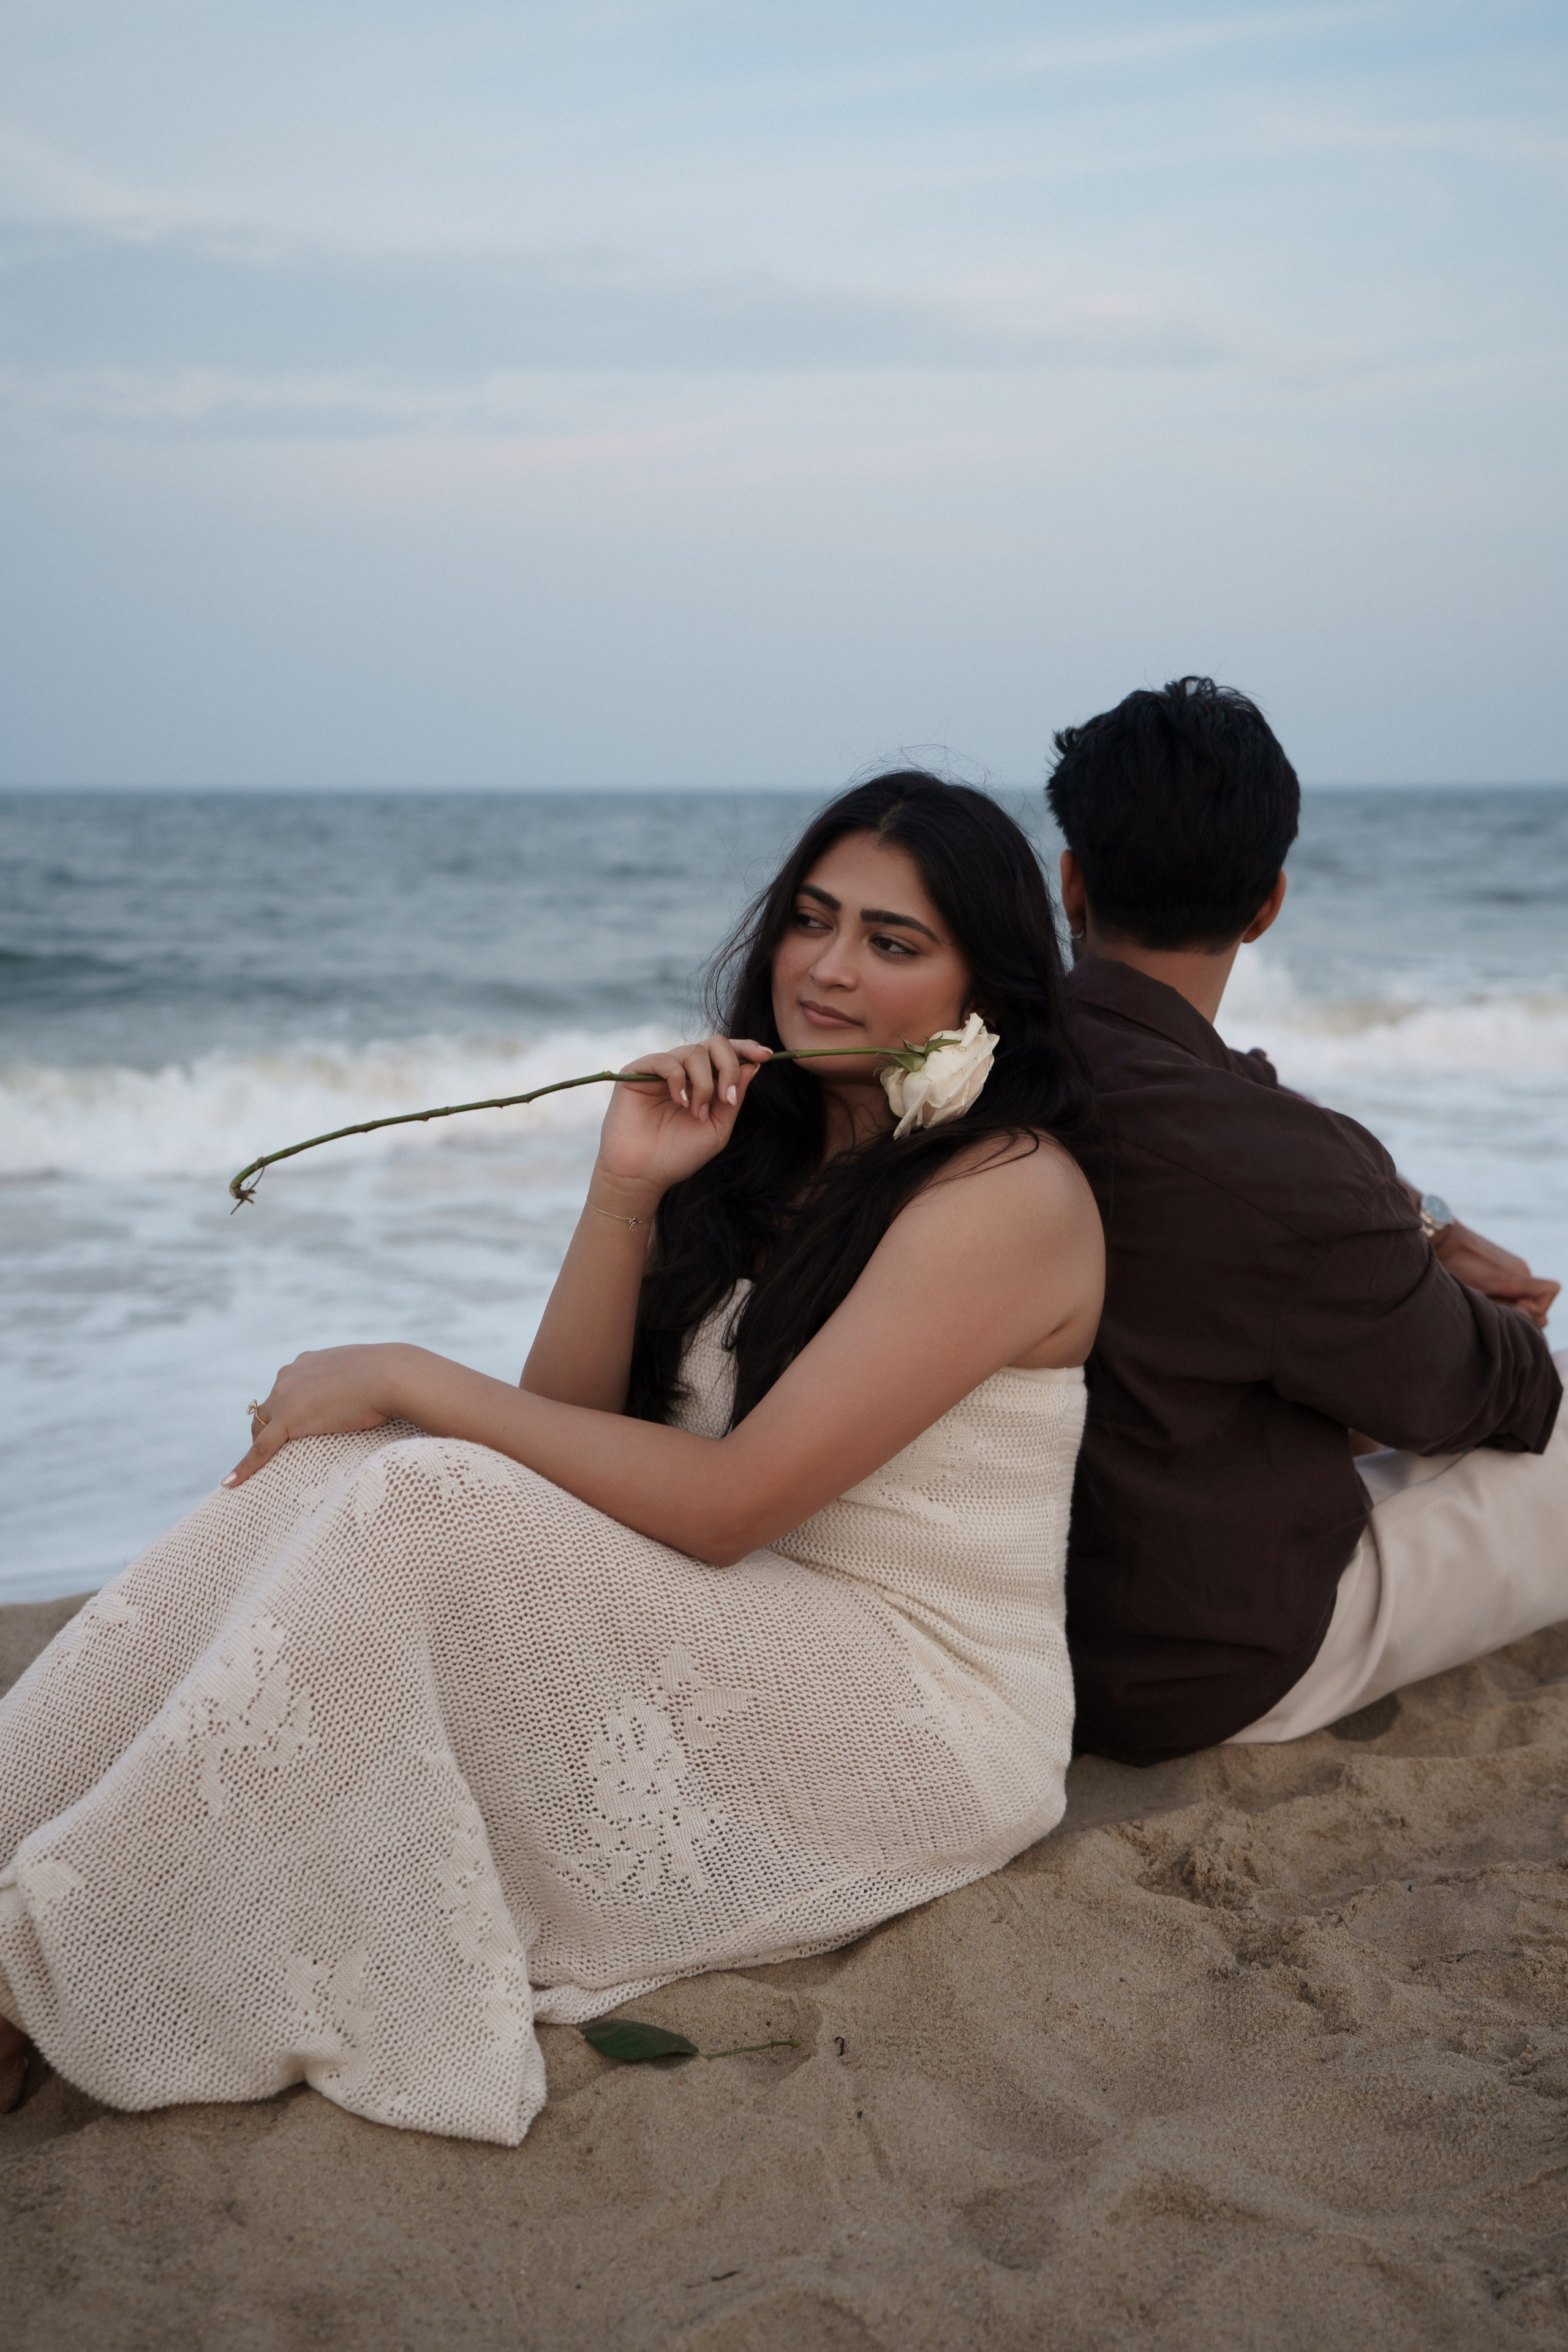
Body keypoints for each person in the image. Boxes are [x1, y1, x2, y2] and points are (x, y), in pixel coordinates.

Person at [0, 774, 1103, 2143]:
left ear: (978, 988)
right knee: (331, 1472)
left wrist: (410, 1372)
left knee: (415, 1475)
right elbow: (565, 1437)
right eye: (810, 921)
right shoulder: (763, 1145)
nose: (823, 969)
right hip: (746, 1614)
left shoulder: (1004, 1193)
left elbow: (725, 1504)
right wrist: (625, 1193)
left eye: (891, 943)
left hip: (919, 1700)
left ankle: (38, 1967)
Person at [1047, 677, 1564, 1766]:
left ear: (1072, 881)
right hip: (1209, 1663)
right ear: (1269, 903)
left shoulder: (984, 1063)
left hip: (1029, 1646)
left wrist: (1420, 1233)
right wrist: (1486, 1319)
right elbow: (1495, 1400)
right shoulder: (1283, 1169)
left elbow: (1250, 1112)